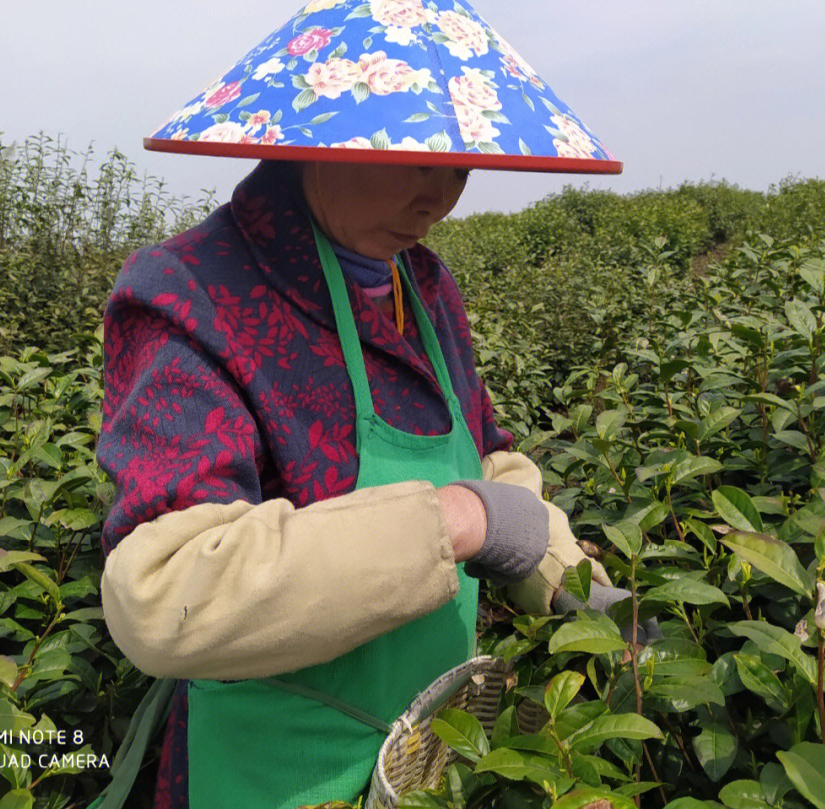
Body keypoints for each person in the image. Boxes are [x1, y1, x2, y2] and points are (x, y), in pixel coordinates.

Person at [94, 3, 644, 807]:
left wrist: (573, 581)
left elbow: (482, 456)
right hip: (277, 770)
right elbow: (165, 591)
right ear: (311, 138)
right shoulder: (193, 294)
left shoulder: (420, 284)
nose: (440, 196)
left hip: (427, 759)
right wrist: (456, 520)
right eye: (416, 158)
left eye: (459, 164)